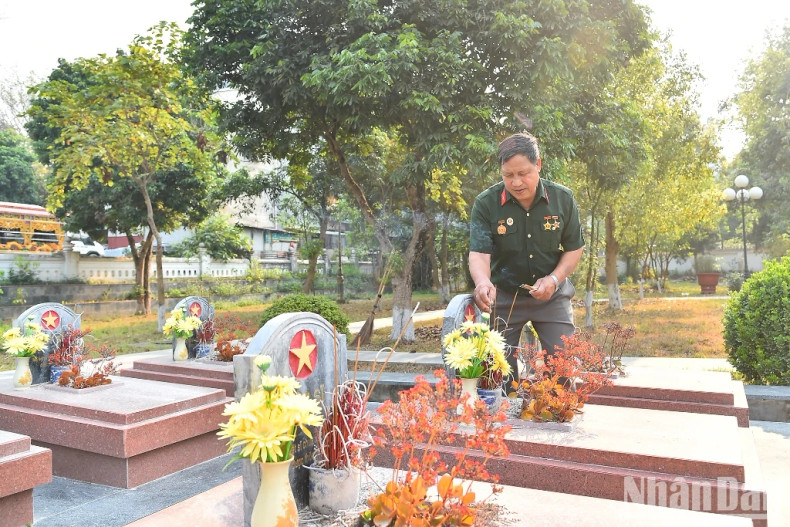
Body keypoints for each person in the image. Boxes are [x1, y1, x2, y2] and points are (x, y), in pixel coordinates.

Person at [468, 132, 585, 380]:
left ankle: (557, 418)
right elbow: (479, 252)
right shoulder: (486, 203)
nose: (516, 182)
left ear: (538, 164)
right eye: (508, 175)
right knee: (497, 377)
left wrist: (554, 279)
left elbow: (574, 248)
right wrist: (482, 282)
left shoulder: (563, 199)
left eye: (523, 174)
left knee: (563, 372)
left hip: (552, 296)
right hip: (504, 297)